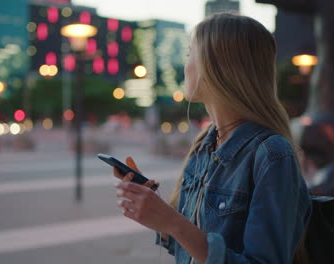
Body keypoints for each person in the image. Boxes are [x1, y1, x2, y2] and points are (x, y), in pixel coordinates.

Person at [113, 13, 312, 264]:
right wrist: (157, 214)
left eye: (189, 55)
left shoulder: (271, 154)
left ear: (216, 66)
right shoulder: (205, 144)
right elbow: (190, 248)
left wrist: (174, 223)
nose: (184, 66)